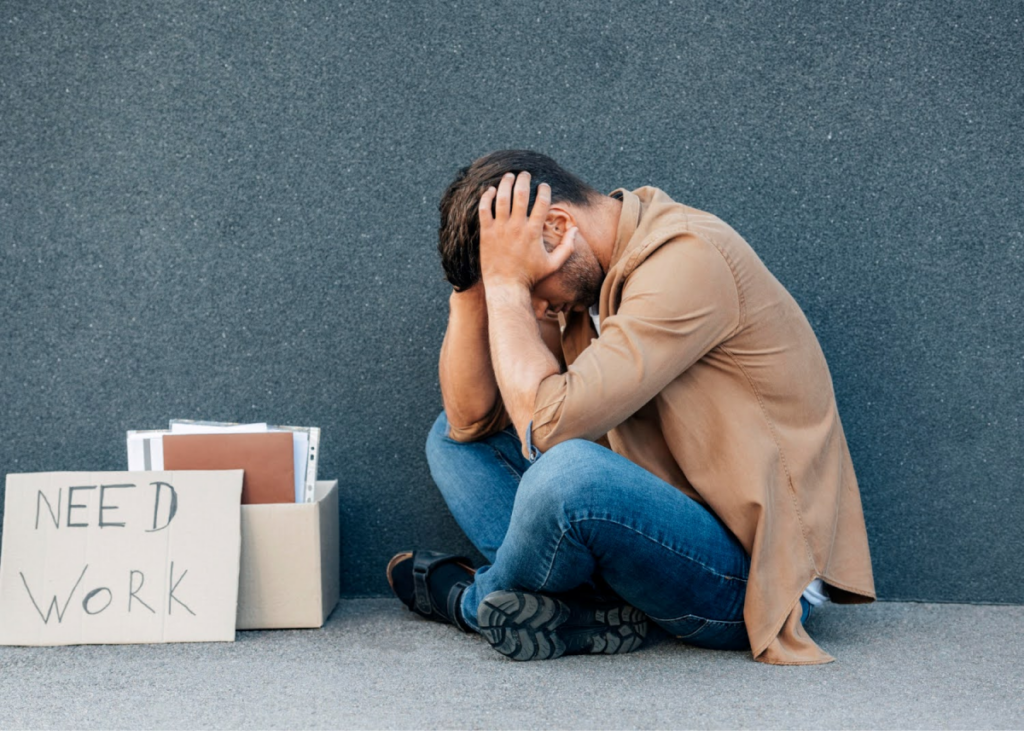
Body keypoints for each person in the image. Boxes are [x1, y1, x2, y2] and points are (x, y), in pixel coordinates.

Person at [387, 150, 875, 664]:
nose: (533, 309)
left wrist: (510, 285)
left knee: (569, 472)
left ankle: (472, 602)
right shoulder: (584, 276)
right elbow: (468, 421)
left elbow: (546, 428)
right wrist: (471, 289)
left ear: (556, 225)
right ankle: (589, 609)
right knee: (452, 439)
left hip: (750, 580)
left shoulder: (687, 259)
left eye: (532, 288)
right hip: (654, 538)